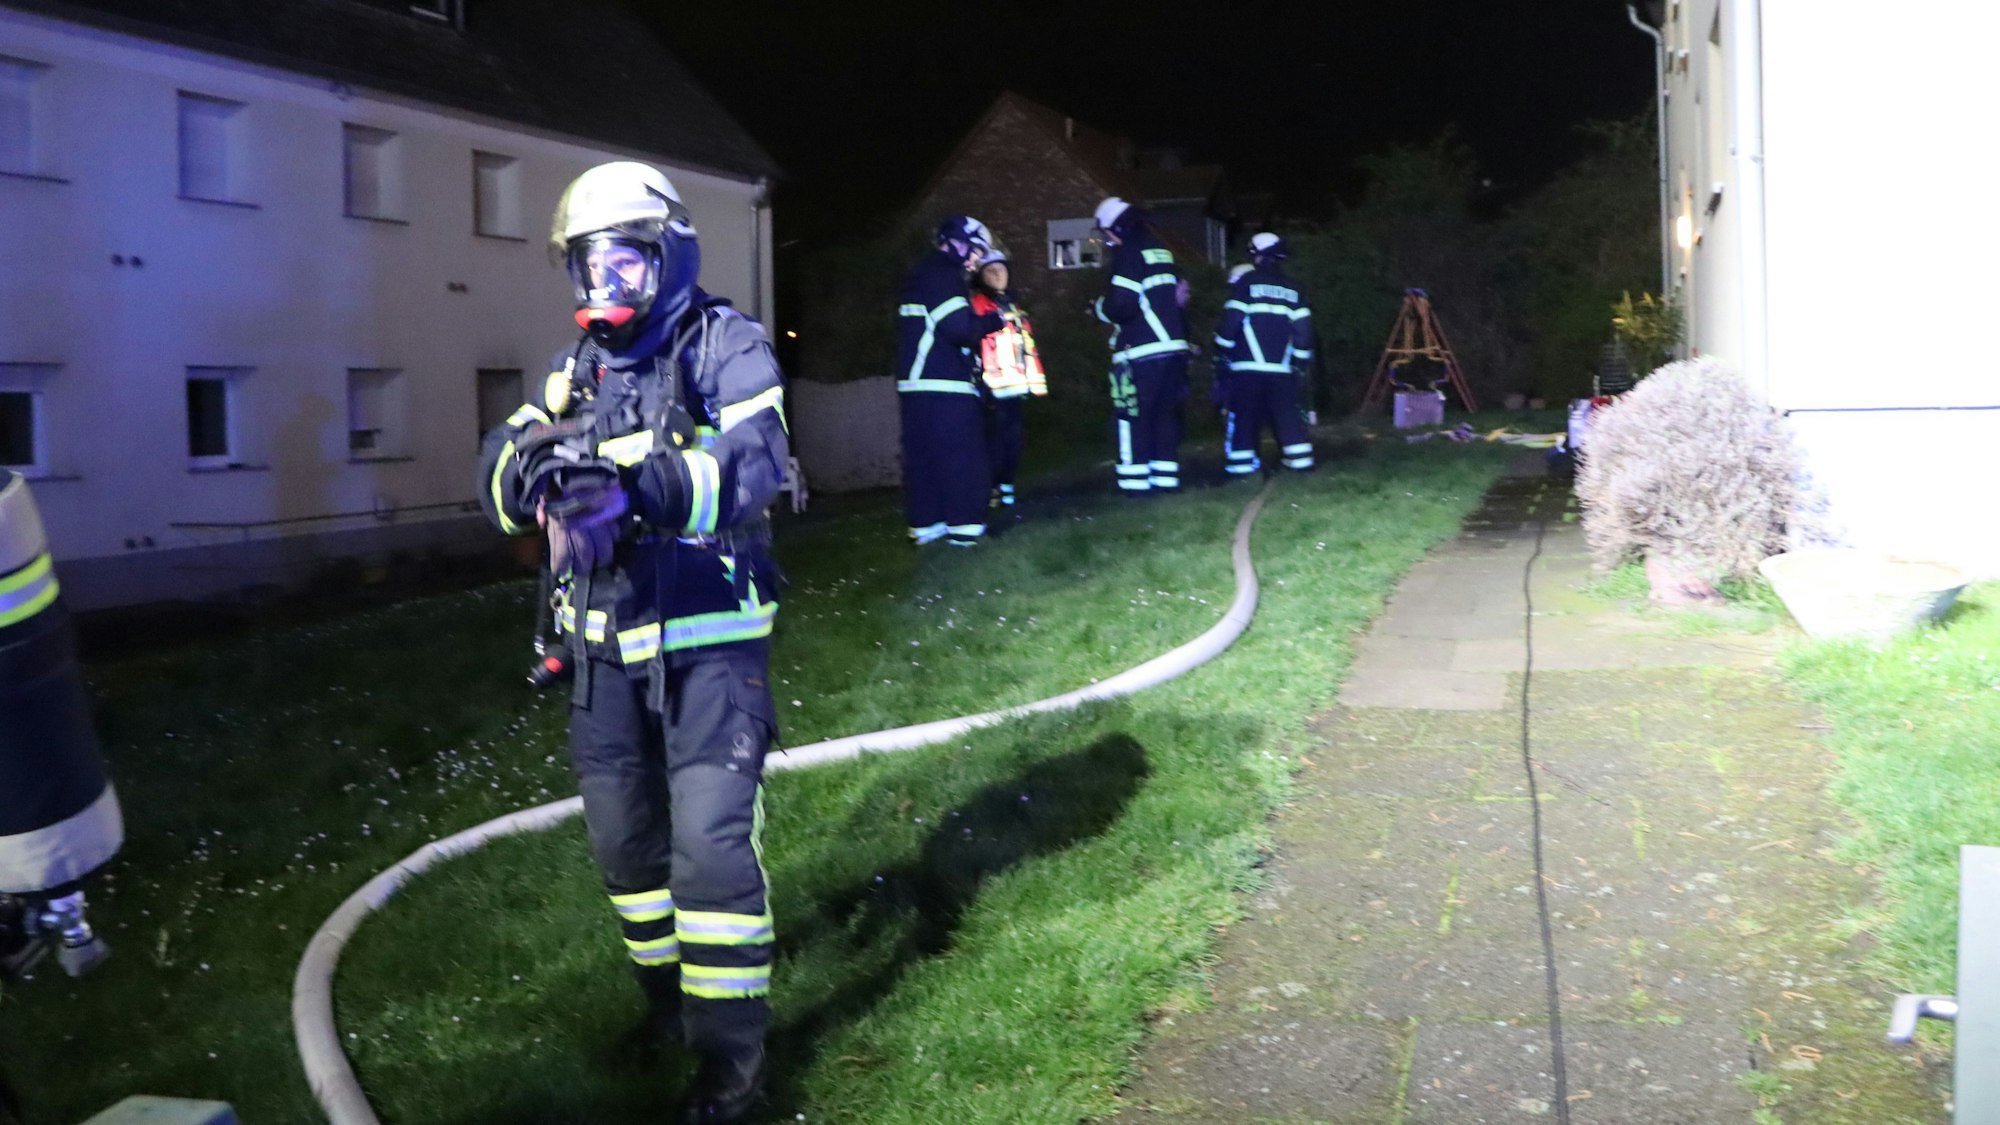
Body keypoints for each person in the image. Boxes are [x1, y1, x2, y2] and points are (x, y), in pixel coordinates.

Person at [476, 161, 789, 1124]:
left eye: (625, 266)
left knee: (709, 856)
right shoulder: (576, 371)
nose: (604, 288)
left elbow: (758, 462)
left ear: (671, 258)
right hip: (603, 654)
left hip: (709, 649)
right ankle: (666, 1007)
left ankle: (731, 1064)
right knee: (628, 853)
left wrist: (642, 489)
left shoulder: (725, 344)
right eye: (588, 269)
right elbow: (496, 486)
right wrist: (528, 470)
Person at [897, 216, 1004, 545]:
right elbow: (958, 328)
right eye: (976, 251)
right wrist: (993, 322)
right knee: (963, 457)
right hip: (944, 385)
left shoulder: (923, 273)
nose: (977, 261)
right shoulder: (944, 275)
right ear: (959, 243)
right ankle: (966, 529)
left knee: (926, 461)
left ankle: (929, 527)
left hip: (918, 386)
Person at [1090, 197, 1190, 494]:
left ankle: (1135, 487)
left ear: (1116, 228)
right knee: (1164, 418)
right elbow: (1179, 298)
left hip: (1142, 352)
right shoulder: (1161, 251)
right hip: (1173, 350)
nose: (1108, 242)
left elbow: (1122, 304)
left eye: (1107, 235)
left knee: (1131, 418)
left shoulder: (1129, 253)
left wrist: (1098, 308)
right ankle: (1165, 483)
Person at [1214, 232, 1316, 476]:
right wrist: (1299, 363)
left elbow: (1231, 324)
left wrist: (1221, 352)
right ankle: (1301, 462)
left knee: (1245, 421)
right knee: (1287, 416)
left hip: (1246, 369)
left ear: (1256, 255)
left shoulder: (1246, 284)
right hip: (1281, 370)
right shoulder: (1295, 289)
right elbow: (1303, 332)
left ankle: (1241, 470)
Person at [969, 246, 1048, 509]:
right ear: (981, 276)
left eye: (1000, 269)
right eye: (990, 271)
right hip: (991, 387)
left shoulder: (1012, 303)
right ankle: (992, 490)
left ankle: (1007, 488)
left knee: (1013, 442)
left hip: (1014, 386)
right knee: (993, 442)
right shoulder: (979, 303)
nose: (996, 274)